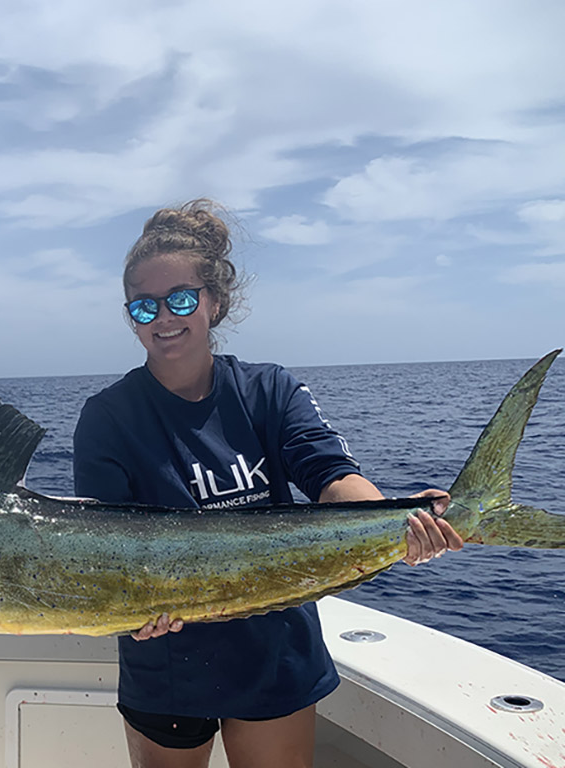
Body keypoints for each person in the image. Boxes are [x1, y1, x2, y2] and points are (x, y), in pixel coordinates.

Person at [72, 199, 464, 768]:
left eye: (180, 298)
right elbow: (102, 543)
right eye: (144, 305)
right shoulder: (106, 416)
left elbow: (331, 476)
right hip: (166, 663)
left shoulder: (269, 390)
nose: (163, 317)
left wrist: (393, 523)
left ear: (214, 302)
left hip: (273, 651)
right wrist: (131, 608)